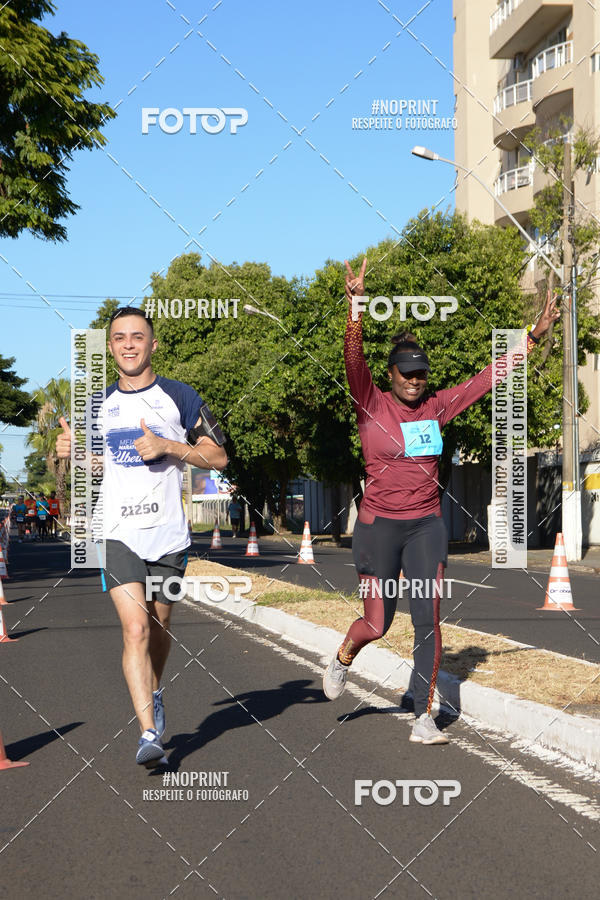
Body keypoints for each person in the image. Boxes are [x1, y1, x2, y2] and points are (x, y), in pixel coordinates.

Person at [322, 258, 560, 745]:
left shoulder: (436, 406)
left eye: (421, 374)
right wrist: (356, 308)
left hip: (425, 526)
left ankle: (423, 717)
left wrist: (532, 339)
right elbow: (353, 359)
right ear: (390, 374)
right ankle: (344, 655)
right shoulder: (370, 402)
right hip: (378, 527)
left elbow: (485, 379)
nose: (414, 380)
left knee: (427, 620)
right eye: (406, 373)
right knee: (377, 623)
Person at [56, 307, 228, 768]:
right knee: (135, 628)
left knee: (158, 627)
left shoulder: (180, 396)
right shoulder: (97, 406)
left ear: (153, 344)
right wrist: (72, 453)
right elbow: (102, 464)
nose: (128, 344)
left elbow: (218, 456)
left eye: (137, 337)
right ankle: (148, 732)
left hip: (169, 535)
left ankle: (154, 688)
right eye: (119, 338)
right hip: (117, 533)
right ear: (111, 347)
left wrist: (169, 446)